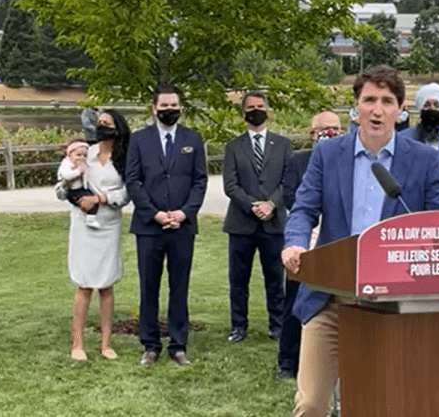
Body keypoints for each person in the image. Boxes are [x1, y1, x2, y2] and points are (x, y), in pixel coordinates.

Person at [281, 65, 439, 417]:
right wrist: (296, 242)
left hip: (390, 304)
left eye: (387, 101)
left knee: (369, 405)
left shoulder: (423, 160)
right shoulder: (328, 155)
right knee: (312, 403)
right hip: (328, 297)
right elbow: (303, 209)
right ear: (355, 107)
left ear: (401, 111)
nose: (377, 110)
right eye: (369, 100)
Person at [125, 85, 207, 367]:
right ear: (154, 108)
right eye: (164, 105)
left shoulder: (193, 139)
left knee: (179, 285)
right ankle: (149, 344)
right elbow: (133, 181)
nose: (169, 109)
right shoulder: (139, 140)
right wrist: (155, 214)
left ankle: (178, 344)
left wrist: (184, 213)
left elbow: (200, 181)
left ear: (181, 108)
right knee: (149, 286)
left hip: (182, 228)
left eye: (174, 105)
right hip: (149, 227)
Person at [57, 111, 131, 361]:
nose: (102, 128)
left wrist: (101, 198)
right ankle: (77, 344)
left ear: (118, 129)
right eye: (99, 124)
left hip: (108, 225)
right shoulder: (83, 153)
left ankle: (106, 343)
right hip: (83, 226)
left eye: (107, 125)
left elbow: (126, 193)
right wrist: (72, 193)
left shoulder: (124, 159)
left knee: (106, 285)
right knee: (84, 284)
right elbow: (61, 186)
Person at [277, 111, 343, 380]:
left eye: (336, 129)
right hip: (305, 242)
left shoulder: (346, 162)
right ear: (312, 133)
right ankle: (287, 362)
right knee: (294, 302)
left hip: (337, 244)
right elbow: (291, 195)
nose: (330, 134)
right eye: (324, 130)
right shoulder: (298, 161)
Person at [222, 91, 292, 344]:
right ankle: (238, 327)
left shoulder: (283, 145)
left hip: (273, 224)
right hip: (241, 224)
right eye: (250, 107)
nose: (255, 110)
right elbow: (230, 185)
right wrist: (253, 205)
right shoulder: (233, 146)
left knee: (275, 279)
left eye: (260, 106)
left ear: (268, 109)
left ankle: (277, 326)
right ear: (243, 113)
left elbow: (288, 181)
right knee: (238, 280)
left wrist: (272, 204)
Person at [57, 138, 100, 229]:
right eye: (78, 155)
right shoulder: (67, 164)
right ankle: (90, 219)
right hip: (73, 191)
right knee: (88, 201)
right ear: (70, 155)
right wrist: (78, 172)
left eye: (84, 155)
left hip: (81, 188)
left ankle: (90, 218)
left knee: (93, 198)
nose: (82, 158)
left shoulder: (83, 164)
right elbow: (66, 176)